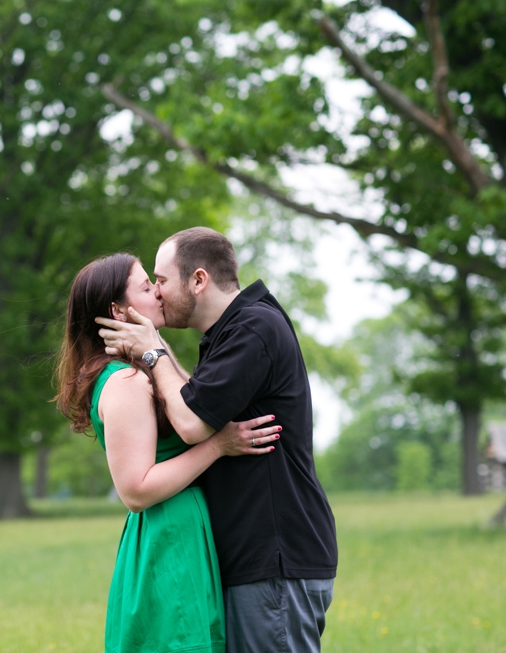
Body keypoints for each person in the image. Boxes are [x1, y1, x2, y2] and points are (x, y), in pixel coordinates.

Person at [95, 228, 338, 652]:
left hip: (273, 559)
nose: (158, 293)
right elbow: (195, 404)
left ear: (199, 280)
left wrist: (154, 353)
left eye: (162, 281)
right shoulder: (230, 333)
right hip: (258, 562)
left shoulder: (253, 328)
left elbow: (190, 423)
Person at [55, 252, 281, 653]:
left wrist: (154, 348)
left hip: (184, 535)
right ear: (118, 311)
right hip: (167, 541)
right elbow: (135, 491)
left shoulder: (139, 371)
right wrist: (219, 446)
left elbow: (192, 401)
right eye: (146, 286)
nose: (159, 292)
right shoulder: (125, 382)